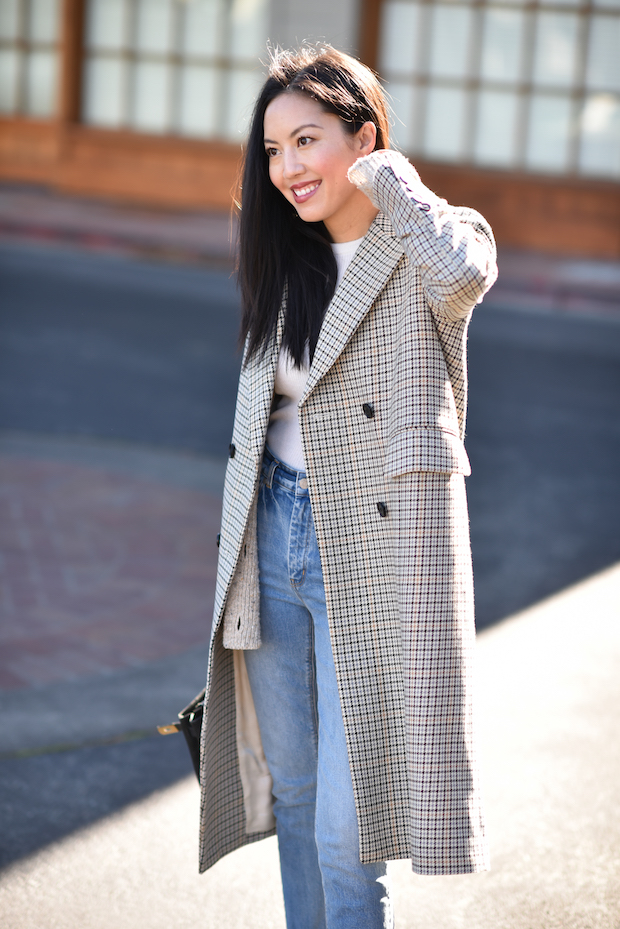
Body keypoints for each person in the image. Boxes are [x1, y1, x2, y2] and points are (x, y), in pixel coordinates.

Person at [198, 45, 497, 929]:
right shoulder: (283, 259)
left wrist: (390, 178)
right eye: (273, 150)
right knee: (294, 797)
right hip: (275, 534)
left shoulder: (427, 243)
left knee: (347, 828)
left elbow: (468, 274)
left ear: (363, 137)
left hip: (369, 551)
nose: (287, 168)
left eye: (307, 141)